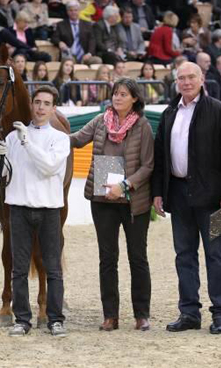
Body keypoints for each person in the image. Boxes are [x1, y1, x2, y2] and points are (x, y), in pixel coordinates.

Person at [152, 62, 221, 335]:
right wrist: (158, 193)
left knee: (216, 255)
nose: (186, 82)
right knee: (184, 256)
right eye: (181, 78)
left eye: (191, 77)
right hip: (178, 196)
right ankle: (189, 312)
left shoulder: (219, 111)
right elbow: (160, 158)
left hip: (215, 199)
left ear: (202, 79)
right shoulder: (169, 113)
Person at [0, 85, 70, 337]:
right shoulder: (13, 138)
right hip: (19, 209)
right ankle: (22, 319)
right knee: (19, 269)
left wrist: (26, 142)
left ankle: (55, 319)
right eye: (37, 102)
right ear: (31, 105)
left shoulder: (60, 138)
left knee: (53, 268)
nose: (41, 107)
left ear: (53, 109)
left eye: (46, 103)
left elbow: (49, 166)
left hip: (49, 209)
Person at [71, 78, 154, 331]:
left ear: (135, 99)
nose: (117, 98)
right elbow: (75, 140)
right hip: (102, 200)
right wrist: (46, 130)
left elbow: (148, 165)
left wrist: (125, 185)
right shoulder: (99, 121)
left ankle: (141, 314)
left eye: (123, 94)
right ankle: (110, 315)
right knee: (107, 258)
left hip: (133, 202)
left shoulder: (142, 126)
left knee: (137, 257)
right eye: (115, 94)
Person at [52, 0, 102, 65]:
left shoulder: (87, 24)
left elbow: (92, 40)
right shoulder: (61, 25)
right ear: (67, 12)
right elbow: (54, 37)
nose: (73, 12)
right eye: (71, 10)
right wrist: (59, 42)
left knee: (97, 60)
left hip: (85, 55)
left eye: (75, 10)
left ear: (79, 11)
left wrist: (89, 53)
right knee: (69, 60)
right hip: (70, 54)